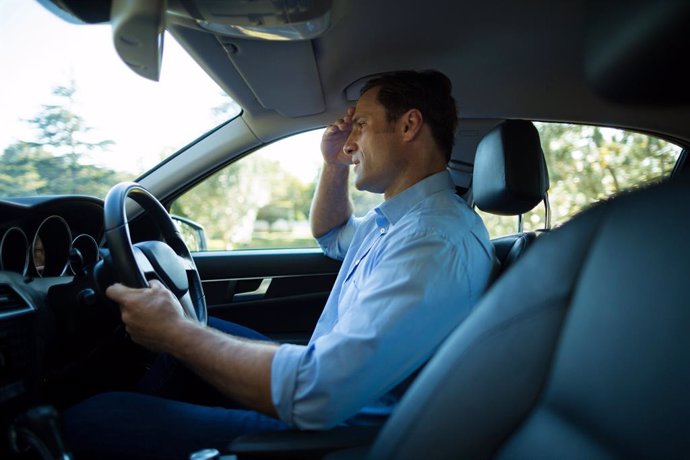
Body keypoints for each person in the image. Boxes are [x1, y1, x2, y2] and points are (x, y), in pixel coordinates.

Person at [62, 70, 496, 459]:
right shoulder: (403, 222)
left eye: (360, 126)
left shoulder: (433, 239)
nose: (349, 144)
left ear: (409, 125)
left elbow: (319, 394)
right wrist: (332, 165)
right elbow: (331, 234)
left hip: (339, 429)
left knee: (94, 417)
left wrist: (176, 332)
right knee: (192, 332)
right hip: (333, 384)